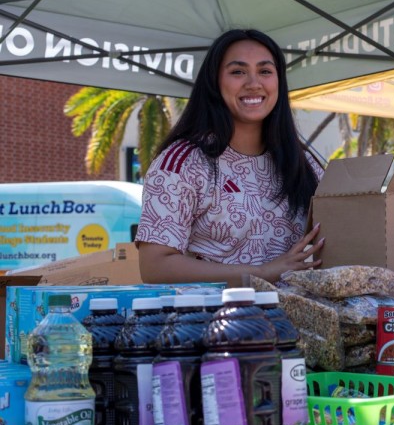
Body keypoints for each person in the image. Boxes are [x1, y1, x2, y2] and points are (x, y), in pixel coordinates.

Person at [135, 29, 324, 286]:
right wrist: (262, 273)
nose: (253, 83)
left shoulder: (305, 163)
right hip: (214, 322)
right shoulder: (182, 164)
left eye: (265, 71)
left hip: (301, 322)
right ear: (214, 81)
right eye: (238, 72)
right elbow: (155, 266)